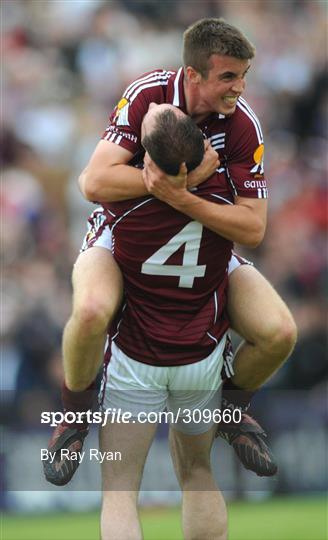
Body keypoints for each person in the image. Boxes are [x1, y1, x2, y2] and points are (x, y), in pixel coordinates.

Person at [44, 18, 297, 488]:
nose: (239, 87)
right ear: (194, 74)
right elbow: (92, 183)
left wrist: (181, 197)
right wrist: (176, 182)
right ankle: (74, 413)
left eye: (244, 75)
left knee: (280, 332)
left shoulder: (244, 124)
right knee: (92, 309)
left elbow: (254, 226)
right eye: (228, 77)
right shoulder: (147, 96)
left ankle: (231, 409)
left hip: (204, 250)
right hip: (123, 238)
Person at [102, 103, 231, 540]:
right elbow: (253, 229)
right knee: (198, 472)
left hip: (137, 355)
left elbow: (91, 180)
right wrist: (195, 178)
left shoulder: (120, 206)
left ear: (149, 163)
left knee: (119, 489)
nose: (157, 103)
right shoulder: (224, 197)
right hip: (199, 353)